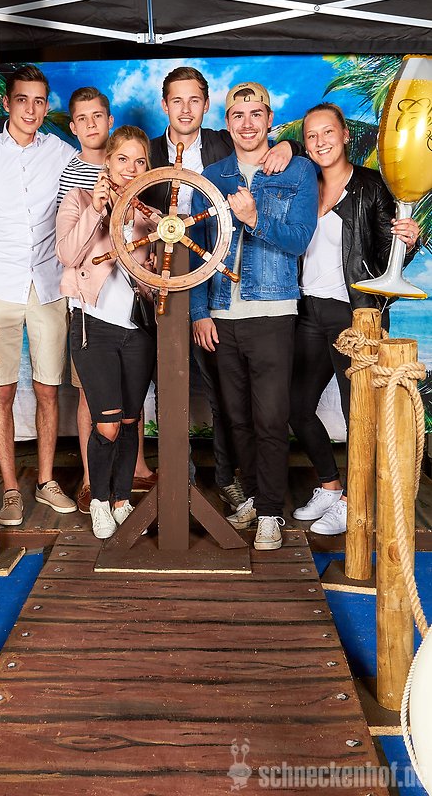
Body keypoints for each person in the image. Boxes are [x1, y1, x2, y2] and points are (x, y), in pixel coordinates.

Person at [148, 66, 302, 511]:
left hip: (222, 291)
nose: (185, 109)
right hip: (158, 287)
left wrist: (288, 146)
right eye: (177, 100)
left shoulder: (223, 146)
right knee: (167, 388)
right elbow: (121, 179)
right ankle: (177, 485)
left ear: (207, 106)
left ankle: (229, 482)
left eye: (194, 100)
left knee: (222, 398)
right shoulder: (147, 151)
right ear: (164, 105)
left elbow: (268, 139)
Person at [0, 64, 78, 526]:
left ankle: (45, 482)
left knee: (48, 389)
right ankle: (9, 490)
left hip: (48, 284)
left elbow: (95, 179)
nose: (31, 109)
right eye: (22, 100)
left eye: (39, 101)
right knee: (0, 393)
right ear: (7, 103)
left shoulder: (62, 153)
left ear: (46, 106)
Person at [190, 81, 318, 551]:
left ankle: (269, 512)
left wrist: (254, 218)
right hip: (221, 314)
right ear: (226, 123)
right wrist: (200, 311)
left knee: (270, 418)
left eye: (256, 114)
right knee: (235, 417)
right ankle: (251, 499)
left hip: (273, 312)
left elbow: (299, 240)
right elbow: (198, 249)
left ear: (269, 118)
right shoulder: (212, 176)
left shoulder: (298, 171)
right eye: (238, 115)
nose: (247, 123)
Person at [289, 102, 420, 535]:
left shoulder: (371, 185)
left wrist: (408, 242)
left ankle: (353, 502)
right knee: (295, 406)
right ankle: (330, 486)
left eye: (328, 132)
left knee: (358, 412)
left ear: (345, 135)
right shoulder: (303, 184)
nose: (320, 141)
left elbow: (387, 258)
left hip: (356, 314)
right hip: (308, 312)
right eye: (311, 136)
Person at [57, 87, 157, 515]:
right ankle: (99, 499)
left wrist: (160, 241)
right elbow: (67, 254)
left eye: (140, 162)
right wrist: (97, 211)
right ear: (108, 162)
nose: (131, 169)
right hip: (92, 326)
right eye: (123, 160)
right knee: (109, 423)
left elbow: (157, 278)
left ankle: (120, 500)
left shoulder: (150, 217)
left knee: (131, 420)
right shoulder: (78, 200)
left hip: (138, 331)